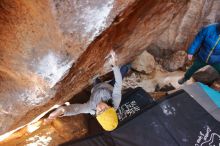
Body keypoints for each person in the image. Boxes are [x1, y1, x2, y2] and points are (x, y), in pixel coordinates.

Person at [45, 51, 130, 131]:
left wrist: (59, 112)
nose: (100, 108)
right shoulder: (115, 101)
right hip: (109, 87)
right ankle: (128, 65)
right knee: (123, 70)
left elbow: (76, 109)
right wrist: (114, 64)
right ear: (111, 108)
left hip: (96, 87)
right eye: (104, 109)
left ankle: (97, 78)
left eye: (99, 112)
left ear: (96, 115)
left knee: (94, 76)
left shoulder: (91, 108)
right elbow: (118, 83)